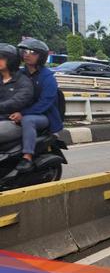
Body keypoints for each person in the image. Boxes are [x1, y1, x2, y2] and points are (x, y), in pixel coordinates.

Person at [11, 38, 62, 172]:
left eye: (33, 52)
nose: (27, 54)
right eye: (26, 51)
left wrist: (23, 114)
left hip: (44, 116)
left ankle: (27, 156)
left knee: (28, 121)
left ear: (41, 56)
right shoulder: (20, 73)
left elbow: (45, 103)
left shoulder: (48, 77)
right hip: (21, 111)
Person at [0, 43, 34, 144]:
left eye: (1, 58)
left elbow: (18, 101)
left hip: (11, 122)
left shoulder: (23, 82)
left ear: (11, 61)